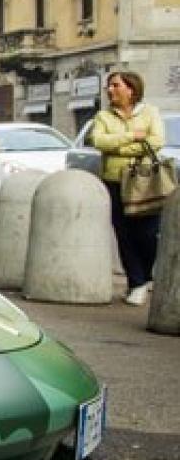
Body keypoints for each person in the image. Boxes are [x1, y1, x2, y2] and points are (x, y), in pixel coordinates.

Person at [92, 70, 166, 306]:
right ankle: (136, 283)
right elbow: (100, 142)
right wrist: (132, 136)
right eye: (109, 86)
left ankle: (146, 275)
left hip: (144, 181)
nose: (110, 90)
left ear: (131, 89)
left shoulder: (150, 112)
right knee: (124, 234)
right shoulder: (104, 116)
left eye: (115, 85)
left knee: (147, 233)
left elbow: (156, 141)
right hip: (114, 181)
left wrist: (120, 147)